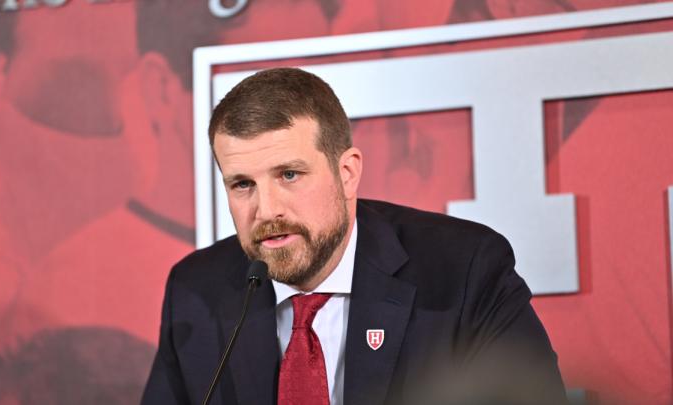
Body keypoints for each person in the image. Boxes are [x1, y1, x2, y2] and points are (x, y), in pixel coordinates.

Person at [141, 67, 567, 404]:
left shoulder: (464, 270)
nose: (267, 210)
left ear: (347, 173)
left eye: (289, 175)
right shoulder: (196, 289)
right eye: (242, 185)